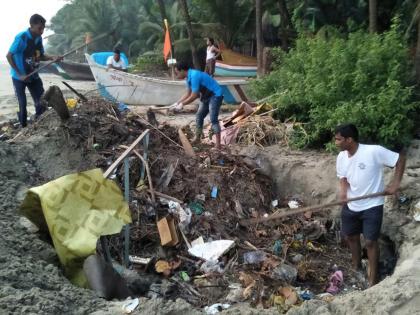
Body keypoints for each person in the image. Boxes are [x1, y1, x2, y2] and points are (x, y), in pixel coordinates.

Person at [335, 123, 405, 286]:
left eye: (338, 139)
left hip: (372, 204)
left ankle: (373, 280)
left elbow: (400, 159)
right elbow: (343, 177)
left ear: (349, 140)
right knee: (351, 237)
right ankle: (357, 267)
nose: (336, 142)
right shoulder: (341, 156)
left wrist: (395, 184)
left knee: (370, 242)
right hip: (352, 204)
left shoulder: (373, 151)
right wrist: (344, 193)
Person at [6, 14, 62, 127]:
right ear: (32, 25)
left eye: (43, 28)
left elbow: (40, 56)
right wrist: (20, 74)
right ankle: (23, 127)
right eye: (39, 28)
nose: (42, 31)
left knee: (41, 100)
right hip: (19, 78)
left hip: (33, 76)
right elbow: (9, 56)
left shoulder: (38, 38)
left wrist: (52, 57)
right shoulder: (22, 37)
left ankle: (40, 123)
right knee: (22, 103)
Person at [172, 61, 223, 150]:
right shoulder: (188, 77)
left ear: (183, 70)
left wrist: (182, 104)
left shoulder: (195, 75)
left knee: (213, 119)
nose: (176, 75)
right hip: (206, 96)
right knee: (199, 116)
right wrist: (177, 102)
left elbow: (194, 95)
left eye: (177, 72)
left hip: (215, 95)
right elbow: (188, 93)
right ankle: (197, 138)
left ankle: (218, 145)